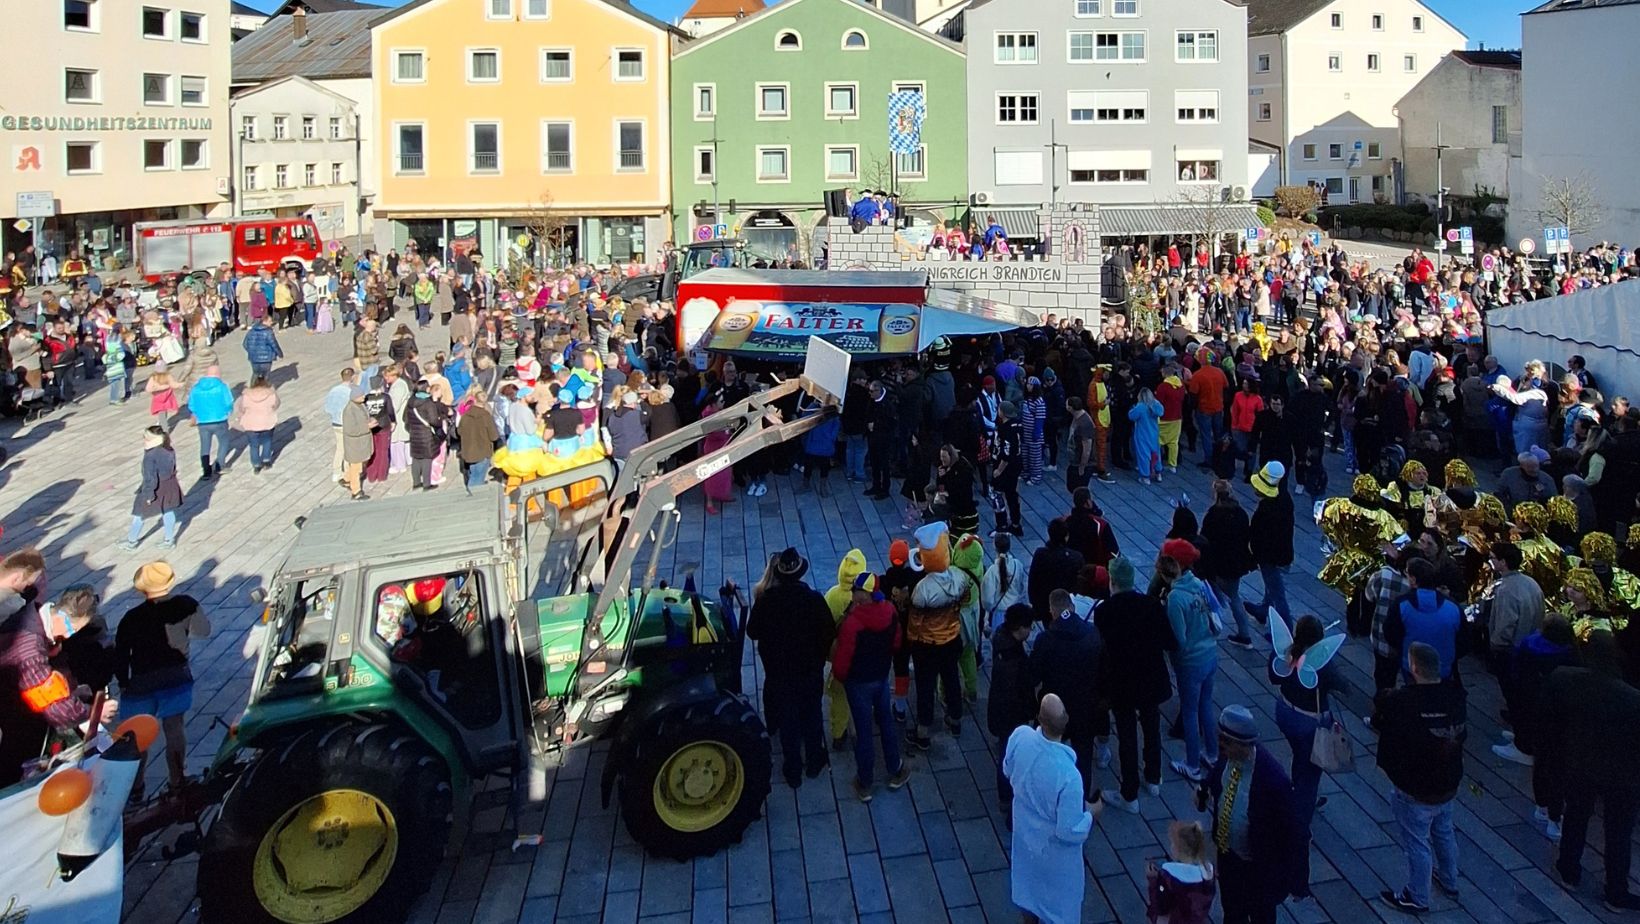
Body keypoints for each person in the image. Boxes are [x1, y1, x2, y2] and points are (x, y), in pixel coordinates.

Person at [1538, 632, 1640, 911]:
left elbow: (1549, 715)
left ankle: (1569, 869)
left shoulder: (1566, 679)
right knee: (1618, 832)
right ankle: (1616, 892)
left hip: (1581, 762)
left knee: (1576, 816)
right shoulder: (1632, 699)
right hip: (1623, 774)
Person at [1377, 642, 1466, 914]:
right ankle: (1450, 881)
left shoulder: (1403, 701)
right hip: (1448, 782)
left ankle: (1417, 896)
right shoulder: (1455, 696)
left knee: (1417, 842)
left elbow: (1386, 728)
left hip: (1416, 788)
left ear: (1413, 668)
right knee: (1444, 831)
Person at [115, 561, 211, 798]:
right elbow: (203, 630)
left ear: (141, 588)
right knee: (174, 729)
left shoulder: (131, 617)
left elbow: (121, 654)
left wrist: (123, 682)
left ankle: (135, 788)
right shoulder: (186, 604)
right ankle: (177, 780)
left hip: (140, 681)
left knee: (136, 736)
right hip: (175, 676)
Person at [1200, 704, 1304, 924]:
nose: (1220, 746)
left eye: (1226, 741)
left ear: (1244, 745)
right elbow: (1218, 772)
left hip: (1258, 867)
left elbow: (1294, 831)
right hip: (1228, 856)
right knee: (1232, 911)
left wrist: (1296, 880)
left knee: (1260, 915)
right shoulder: (1228, 757)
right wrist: (1206, 787)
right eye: (1220, 738)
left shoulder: (1273, 781)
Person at [1005, 693, 1099, 924]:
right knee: (1058, 906)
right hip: (1055, 856)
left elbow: (1008, 770)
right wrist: (1091, 812)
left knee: (1028, 890)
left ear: (1039, 718)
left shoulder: (1020, 737)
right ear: (1065, 721)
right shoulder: (1069, 775)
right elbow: (1068, 831)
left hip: (1026, 836)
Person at [1267, 613, 1344, 895]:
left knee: (1301, 760)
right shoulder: (1322, 662)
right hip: (1311, 723)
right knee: (1310, 773)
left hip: (1285, 712)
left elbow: (1273, 675)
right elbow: (1343, 686)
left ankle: (1298, 793)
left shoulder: (1286, 650)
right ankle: (1299, 821)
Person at [746, 548, 835, 788]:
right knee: (813, 713)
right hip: (809, 670)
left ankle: (793, 769)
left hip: (779, 673)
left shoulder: (766, 602)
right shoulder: (814, 600)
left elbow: (752, 631)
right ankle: (815, 760)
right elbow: (829, 631)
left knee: (788, 719)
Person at [0, 549, 90, 786]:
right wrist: (86, 713)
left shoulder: (29, 614)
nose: (68, 635)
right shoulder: (29, 642)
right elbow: (46, 698)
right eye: (71, 628)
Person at [1096, 557, 1175, 812]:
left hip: (1122, 682)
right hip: (1150, 678)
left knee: (1127, 734)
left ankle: (1129, 794)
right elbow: (1168, 641)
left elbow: (1102, 651)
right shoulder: (1151, 605)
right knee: (1151, 725)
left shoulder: (1105, 611)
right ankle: (1154, 777)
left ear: (1113, 581)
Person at [831, 573, 911, 802]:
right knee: (885, 722)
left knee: (864, 731)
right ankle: (895, 769)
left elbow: (843, 660)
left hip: (858, 683)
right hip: (881, 677)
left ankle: (865, 782)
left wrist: (840, 676)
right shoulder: (890, 611)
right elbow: (896, 643)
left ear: (863, 595)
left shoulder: (852, 623)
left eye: (855, 590)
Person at [906, 525, 967, 749]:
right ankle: (955, 718)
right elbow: (965, 599)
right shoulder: (959, 578)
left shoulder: (922, 589)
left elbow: (916, 622)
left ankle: (923, 731)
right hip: (952, 639)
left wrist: (911, 641)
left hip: (928, 645)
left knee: (925, 686)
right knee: (951, 678)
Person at [1160, 548, 1218, 781]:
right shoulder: (1199, 585)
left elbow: (1180, 640)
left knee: (1189, 712)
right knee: (1205, 705)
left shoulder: (1175, 599)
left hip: (1191, 662)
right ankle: (1212, 753)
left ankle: (1192, 764)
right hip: (1210, 653)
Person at [989, 603, 1036, 826]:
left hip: (1000, 711)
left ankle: (1004, 798)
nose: (1031, 631)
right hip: (1012, 716)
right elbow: (1021, 690)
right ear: (1020, 628)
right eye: (1029, 627)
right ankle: (1009, 801)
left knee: (1004, 754)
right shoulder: (1015, 661)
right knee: (1010, 759)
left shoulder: (1001, 639)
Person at [1384, 558, 1464, 682]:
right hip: (1443, 667)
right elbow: (1464, 640)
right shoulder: (1453, 607)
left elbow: (1391, 634)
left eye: (1407, 573)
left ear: (1414, 580)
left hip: (1412, 666)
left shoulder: (1401, 604)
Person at [1200, 479, 1255, 647]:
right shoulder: (1241, 514)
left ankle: (1211, 630)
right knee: (1233, 596)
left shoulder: (1213, 515)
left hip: (1217, 564)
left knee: (1210, 598)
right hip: (1236, 564)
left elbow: (1204, 539)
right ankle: (1244, 634)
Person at [1481, 542, 1546, 679]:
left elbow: (1506, 624)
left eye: (1492, 557)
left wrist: (1496, 644)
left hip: (1512, 652)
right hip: (1533, 646)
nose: (1489, 560)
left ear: (1503, 562)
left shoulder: (1506, 589)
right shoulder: (1531, 582)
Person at [1246, 462, 1295, 626]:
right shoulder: (1285, 499)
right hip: (1283, 553)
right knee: (1272, 587)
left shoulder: (1268, 508)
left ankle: (1287, 630)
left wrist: (1254, 554)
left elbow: (1260, 535)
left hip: (1271, 558)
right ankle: (1263, 610)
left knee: (1278, 595)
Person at [123, 426, 183, 550]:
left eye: (146, 438)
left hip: (156, 488)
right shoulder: (168, 449)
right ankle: (169, 540)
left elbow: (150, 477)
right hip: (170, 485)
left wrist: (149, 494)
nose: (143, 440)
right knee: (168, 511)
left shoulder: (150, 456)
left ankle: (131, 541)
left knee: (139, 513)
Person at [1145, 820, 1217, 924]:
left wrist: (1153, 881)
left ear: (1177, 849)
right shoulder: (1208, 874)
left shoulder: (1168, 876)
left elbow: (1160, 906)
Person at [1028, 518, 1085, 623]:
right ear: (1066, 536)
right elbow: (1080, 583)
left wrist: (1035, 604)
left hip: (1046, 606)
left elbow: (1033, 581)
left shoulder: (1041, 555)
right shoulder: (1076, 557)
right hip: (1069, 604)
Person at [187, 364, 234, 480]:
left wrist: (196, 413)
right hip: (219, 420)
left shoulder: (196, 388)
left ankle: (206, 471)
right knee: (223, 442)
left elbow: (191, 404)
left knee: (205, 445)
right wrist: (228, 411)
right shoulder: (222, 387)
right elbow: (229, 402)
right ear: (218, 374)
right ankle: (220, 465)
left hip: (202, 421)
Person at [457, 385, 501, 492]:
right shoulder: (486, 416)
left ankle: (473, 491)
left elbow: (459, 431)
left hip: (468, 451)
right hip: (483, 451)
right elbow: (494, 436)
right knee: (477, 478)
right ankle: (472, 498)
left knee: (474, 474)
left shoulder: (466, 415)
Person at [232, 376, 281, 474]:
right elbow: (277, 404)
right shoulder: (271, 394)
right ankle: (266, 460)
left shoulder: (246, 395)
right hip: (267, 422)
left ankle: (256, 464)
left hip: (251, 423)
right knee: (267, 441)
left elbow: (242, 408)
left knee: (254, 445)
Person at [324, 368, 359, 484]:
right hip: (347, 424)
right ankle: (346, 473)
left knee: (340, 448)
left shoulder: (334, 390)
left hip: (336, 423)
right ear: (353, 377)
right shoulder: (351, 392)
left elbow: (327, 408)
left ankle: (336, 472)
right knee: (348, 449)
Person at [340, 385, 373, 501]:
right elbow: (351, 430)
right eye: (361, 395)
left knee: (355, 466)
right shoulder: (349, 411)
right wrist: (367, 426)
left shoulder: (360, 405)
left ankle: (347, 479)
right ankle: (356, 491)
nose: (364, 397)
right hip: (355, 445)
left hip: (361, 443)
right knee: (356, 468)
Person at [1130, 387, 1165, 483]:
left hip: (1142, 435)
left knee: (1144, 455)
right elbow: (1161, 411)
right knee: (1156, 454)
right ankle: (1158, 473)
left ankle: (1145, 476)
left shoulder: (1140, 407)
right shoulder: (1155, 405)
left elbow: (1131, 416)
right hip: (1154, 434)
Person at [242, 315, 283, 380]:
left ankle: (253, 388)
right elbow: (274, 344)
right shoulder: (268, 332)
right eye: (270, 321)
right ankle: (264, 388)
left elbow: (245, 344)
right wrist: (280, 353)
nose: (271, 323)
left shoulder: (251, 331)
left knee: (255, 374)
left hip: (254, 358)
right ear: (264, 321)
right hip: (266, 358)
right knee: (266, 376)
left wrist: (252, 352)